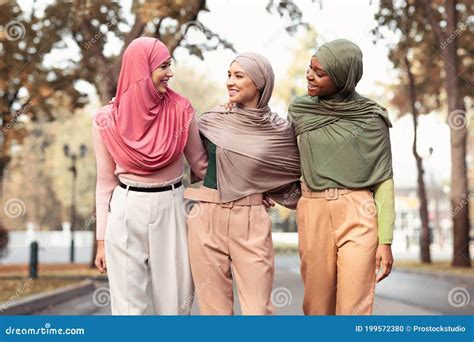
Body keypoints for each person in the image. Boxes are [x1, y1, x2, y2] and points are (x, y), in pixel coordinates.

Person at [93, 37, 208, 315]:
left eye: (170, 65)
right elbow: (105, 182)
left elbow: (201, 166)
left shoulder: (182, 111)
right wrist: (101, 241)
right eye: (163, 66)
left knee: (175, 302)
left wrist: (249, 188)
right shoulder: (106, 119)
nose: (170, 73)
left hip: (171, 204)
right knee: (127, 309)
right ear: (141, 69)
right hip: (125, 206)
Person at [185, 52, 301, 315]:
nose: (229, 82)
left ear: (260, 83)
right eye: (228, 75)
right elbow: (179, 136)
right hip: (206, 216)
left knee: (258, 311)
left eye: (239, 76)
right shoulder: (214, 119)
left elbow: (289, 173)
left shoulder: (280, 131)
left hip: (251, 219)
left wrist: (266, 189)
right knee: (214, 314)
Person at [288, 39, 395, 315]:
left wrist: (386, 240)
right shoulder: (301, 110)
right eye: (310, 68)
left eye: (320, 73)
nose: (310, 76)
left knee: (355, 307)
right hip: (314, 209)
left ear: (343, 79)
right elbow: (282, 157)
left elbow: (383, 179)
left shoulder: (372, 117)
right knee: (317, 308)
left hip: (359, 211)